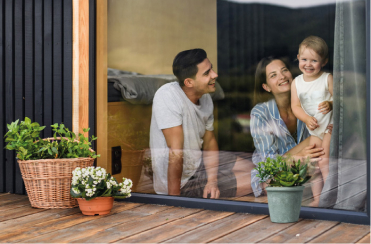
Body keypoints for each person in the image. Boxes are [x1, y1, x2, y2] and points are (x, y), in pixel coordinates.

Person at [150, 48, 254, 198]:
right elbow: (176, 153)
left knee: (256, 171)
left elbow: (210, 141)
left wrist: (212, 181)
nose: (215, 75)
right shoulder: (167, 96)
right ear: (189, 82)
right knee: (260, 181)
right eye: (207, 73)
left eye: (211, 68)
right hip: (183, 183)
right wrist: (173, 201)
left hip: (199, 163)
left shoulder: (205, 98)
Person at [250, 57, 329, 200]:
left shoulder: (307, 102)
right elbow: (269, 165)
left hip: (307, 171)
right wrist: (298, 157)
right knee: (315, 139)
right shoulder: (261, 113)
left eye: (284, 70)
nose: (282, 77)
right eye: (273, 75)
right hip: (274, 176)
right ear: (266, 87)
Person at [291, 36, 333, 206]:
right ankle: (318, 200)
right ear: (298, 58)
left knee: (324, 161)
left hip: (330, 127)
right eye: (304, 59)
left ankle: (331, 196)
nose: (308, 64)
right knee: (313, 164)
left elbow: (341, 99)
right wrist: (306, 118)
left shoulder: (326, 78)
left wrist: (331, 103)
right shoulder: (297, 83)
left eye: (314, 60)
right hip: (315, 129)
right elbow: (296, 106)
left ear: (323, 62)